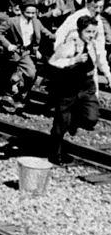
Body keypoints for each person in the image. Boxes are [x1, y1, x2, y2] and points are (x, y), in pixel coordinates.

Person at [47, 15, 111, 164]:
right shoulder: (71, 43)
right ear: (80, 30)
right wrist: (73, 60)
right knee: (61, 124)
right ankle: (54, 153)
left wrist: (108, 75)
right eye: (88, 32)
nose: (92, 35)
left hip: (87, 86)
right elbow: (53, 61)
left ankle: (73, 122)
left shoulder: (93, 44)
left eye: (94, 32)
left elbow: (101, 61)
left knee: (91, 118)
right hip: (69, 86)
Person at [0, 0, 52, 113]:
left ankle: (17, 93)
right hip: (12, 53)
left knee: (31, 73)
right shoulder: (13, 21)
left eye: (33, 13)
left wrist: (62, 36)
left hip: (26, 53)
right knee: (4, 76)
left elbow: (47, 33)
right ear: (22, 11)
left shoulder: (36, 22)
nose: (30, 15)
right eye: (28, 13)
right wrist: (8, 45)